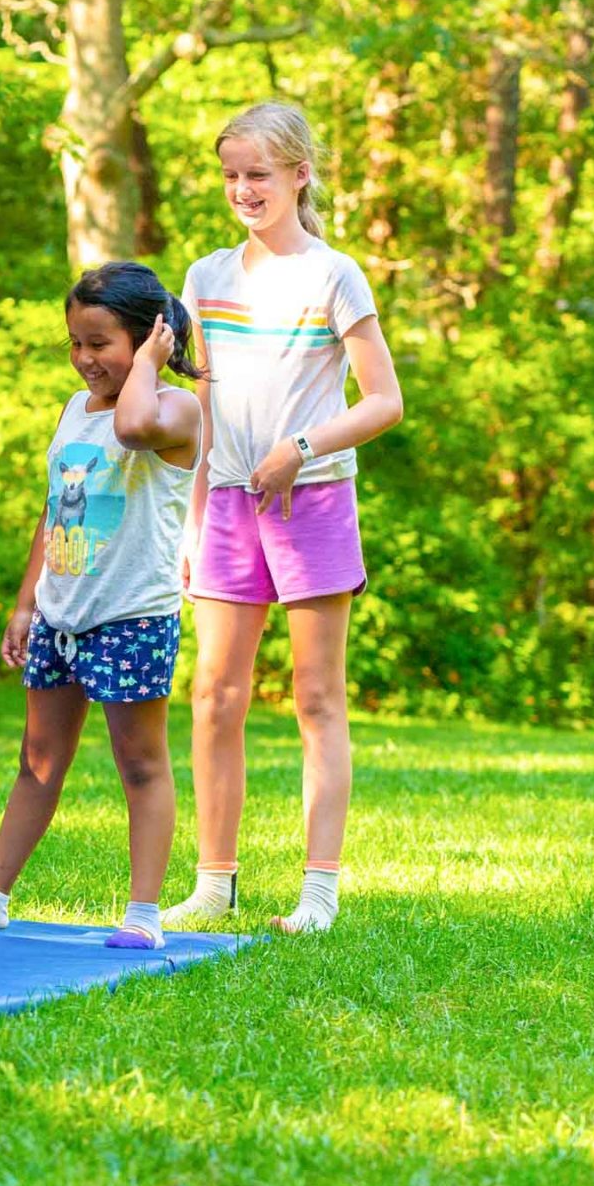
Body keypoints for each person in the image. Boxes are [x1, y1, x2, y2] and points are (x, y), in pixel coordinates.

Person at [162, 103, 405, 936]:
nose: (242, 190)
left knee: (315, 700)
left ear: (301, 174)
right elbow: (201, 411)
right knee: (213, 695)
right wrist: (192, 526)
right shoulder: (204, 278)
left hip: (314, 503)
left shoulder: (334, 275)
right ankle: (214, 883)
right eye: (231, 175)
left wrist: (300, 445)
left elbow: (384, 402)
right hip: (227, 505)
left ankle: (319, 893)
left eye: (258, 174)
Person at [0, 263, 202, 949]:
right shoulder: (74, 411)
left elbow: (136, 427)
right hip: (62, 612)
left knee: (140, 763)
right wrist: (27, 604)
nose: (84, 359)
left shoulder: (176, 410)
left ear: (149, 339)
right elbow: (55, 510)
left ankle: (143, 913)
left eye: (101, 343)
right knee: (39, 761)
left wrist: (148, 364)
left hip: (132, 615)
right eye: (75, 343)